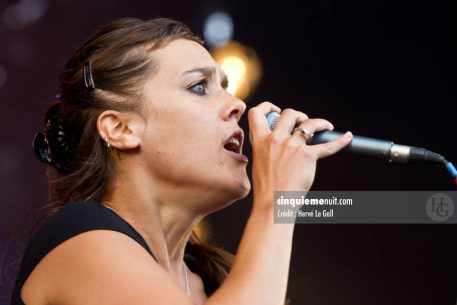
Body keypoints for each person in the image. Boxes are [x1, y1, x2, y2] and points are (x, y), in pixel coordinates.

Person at [11, 17, 352, 305]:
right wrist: (277, 197)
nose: (237, 105)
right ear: (120, 129)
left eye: (226, 87)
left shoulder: (215, 283)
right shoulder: (79, 239)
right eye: (199, 87)